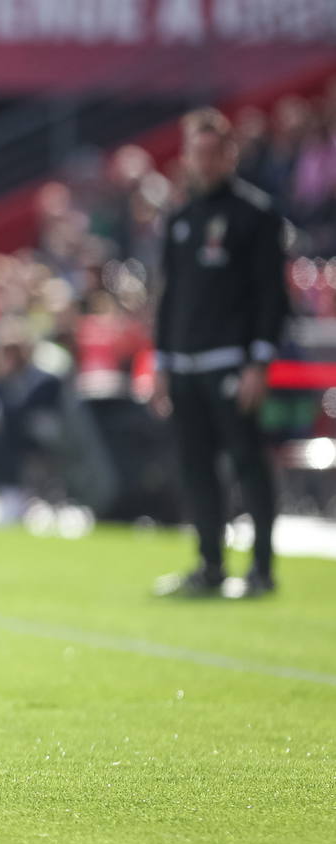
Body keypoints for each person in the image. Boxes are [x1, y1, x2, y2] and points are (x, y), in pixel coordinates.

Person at [152, 108, 290, 599]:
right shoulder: (180, 219)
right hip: (185, 364)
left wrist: (259, 361)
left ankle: (262, 569)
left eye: (214, 153)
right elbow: (167, 297)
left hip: (231, 362)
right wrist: (162, 361)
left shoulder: (255, 214)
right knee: (195, 468)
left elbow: (272, 296)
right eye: (197, 153)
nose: (205, 163)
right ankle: (210, 566)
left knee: (248, 463)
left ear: (230, 155)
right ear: (187, 157)